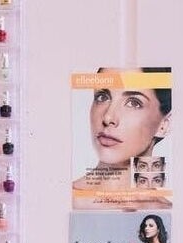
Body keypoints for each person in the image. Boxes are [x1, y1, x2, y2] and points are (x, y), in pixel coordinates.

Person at [73, 67, 172, 208]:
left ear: (164, 125)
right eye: (102, 97)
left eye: (133, 103)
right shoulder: (65, 201)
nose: (108, 117)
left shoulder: (169, 211)